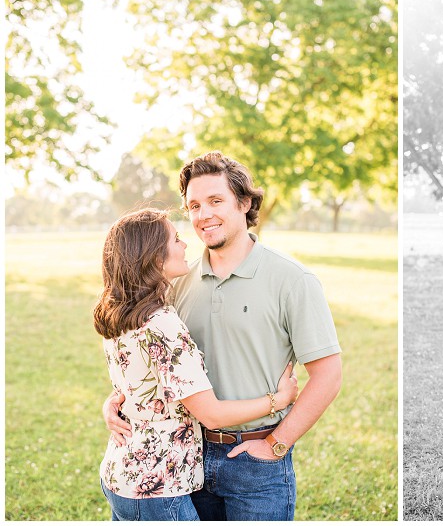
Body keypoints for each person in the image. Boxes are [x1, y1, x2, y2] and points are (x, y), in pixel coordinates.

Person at [104, 152, 343, 521]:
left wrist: (277, 443)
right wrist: (120, 401)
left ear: (245, 203)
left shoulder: (293, 280)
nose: (203, 215)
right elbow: (152, 357)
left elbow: (328, 375)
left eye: (216, 201)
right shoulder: (174, 280)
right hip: (186, 460)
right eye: (194, 205)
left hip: (256, 462)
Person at [94, 208, 298, 521]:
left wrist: (113, 404)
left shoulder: (121, 313)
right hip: (158, 485)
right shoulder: (163, 324)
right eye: (175, 240)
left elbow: (136, 384)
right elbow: (212, 415)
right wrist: (279, 400)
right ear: (154, 256)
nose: (185, 245)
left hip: (121, 472)